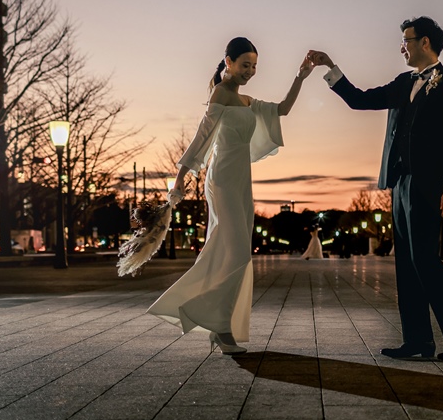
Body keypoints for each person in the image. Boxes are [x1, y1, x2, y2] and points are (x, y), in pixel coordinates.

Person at [118, 37, 314, 355]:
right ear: (228, 62)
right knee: (237, 254)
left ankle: (218, 325)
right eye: (244, 65)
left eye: (254, 66)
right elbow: (200, 140)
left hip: (242, 183)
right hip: (221, 180)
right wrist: (178, 182)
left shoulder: (248, 101)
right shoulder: (220, 95)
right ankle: (218, 326)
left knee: (229, 251)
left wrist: (300, 76)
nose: (250, 71)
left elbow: (283, 110)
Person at [309, 16, 443, 362]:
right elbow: (359, 99)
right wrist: (330, 67)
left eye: (406, 40)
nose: (401, 46)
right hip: (400, 183)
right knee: (406, 262)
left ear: (425, 43)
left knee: (425, 259)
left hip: (431, 184)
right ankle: (418, 341)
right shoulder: (403, 82)